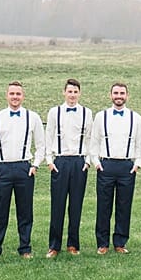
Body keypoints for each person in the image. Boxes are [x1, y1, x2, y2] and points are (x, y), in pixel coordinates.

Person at [0, 80, 44, 258]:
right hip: (2, 169)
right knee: (0, 211)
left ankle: (25, 248)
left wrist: (35, 165)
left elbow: (41, 144)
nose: (15, 97)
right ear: (7, 95)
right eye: (12, 94)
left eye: (18, 94)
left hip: (24, 168)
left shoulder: (33, 117)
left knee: (25, 211)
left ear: (23, 96)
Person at [89, 82, 141, 254]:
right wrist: (97, 162)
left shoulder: (136, 117)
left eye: (122, 93)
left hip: (127, 166)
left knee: (124, 206)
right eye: (116, 93)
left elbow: (140, 143)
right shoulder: (101, 116)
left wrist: (137, 163)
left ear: (127, 95)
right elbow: (94, 142)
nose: (119, 96)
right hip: (106, 166)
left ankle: (120, 242)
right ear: (110, 95)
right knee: (103, 206)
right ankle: (102, 243)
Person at [43, 78, 92, 257]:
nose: (72, 95)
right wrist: (49, 161)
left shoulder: (87, 113)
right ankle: (54, 246)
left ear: (79, 93)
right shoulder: (54, 112)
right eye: (69, 91)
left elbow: (89, 138)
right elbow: (48, 136)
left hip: (79, 163)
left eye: (75, 92)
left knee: (76, 205)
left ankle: (73, 244)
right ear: (64, 92)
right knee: (57, 205)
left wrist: (87, 161)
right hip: (60, 162)